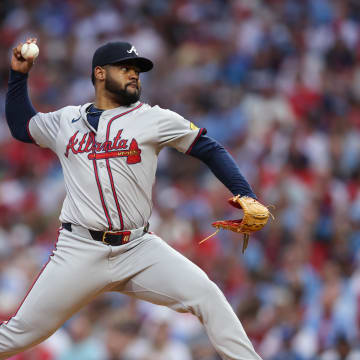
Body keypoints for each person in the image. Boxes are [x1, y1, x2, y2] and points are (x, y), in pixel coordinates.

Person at [2, 38, 263, 360]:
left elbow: (209, 148)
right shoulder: (65, 121)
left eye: (137, 70)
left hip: (138, 247)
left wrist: (246, 195)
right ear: (99, 73)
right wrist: (18, 75)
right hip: (80, 249)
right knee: (16, 337)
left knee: (207, 295)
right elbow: (21, 125)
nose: (134, 75)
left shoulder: (153, 119)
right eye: (125, 68)